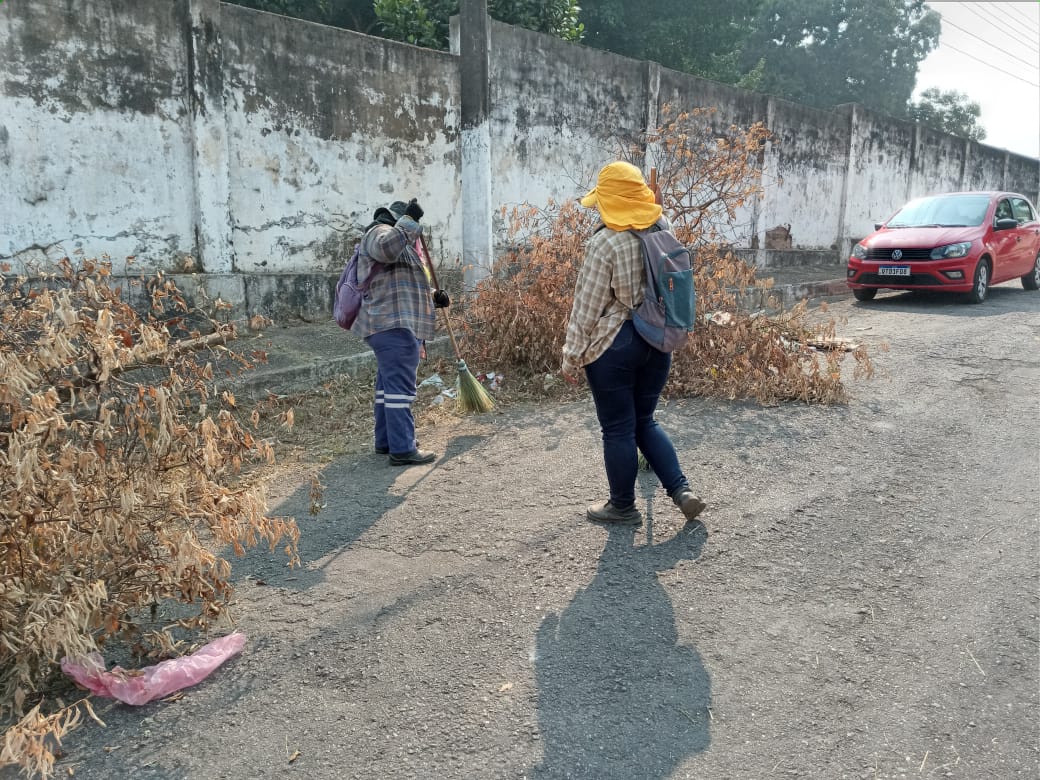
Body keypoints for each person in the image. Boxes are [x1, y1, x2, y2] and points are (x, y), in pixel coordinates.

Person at [561, 161, 706, 525]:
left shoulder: (604, 242)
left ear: (608, 200)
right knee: (646, 421)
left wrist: (571, 356)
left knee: (618, 428)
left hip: (615, 345)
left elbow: (586, 308)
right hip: (657, 340)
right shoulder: (662, 229)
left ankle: (622, 506)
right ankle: (681, 490)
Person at [352, 198, 450, 466]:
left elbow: (400, 287)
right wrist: (410, 221)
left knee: (388, 385)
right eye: (405, 222)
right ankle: (403, 448)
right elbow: (386, 248)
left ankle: (386, 442)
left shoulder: (399, 245)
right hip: (391, 324)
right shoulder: (378, 233)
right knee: (399, 389)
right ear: (396, 219)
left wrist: (432, 296)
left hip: (390, 322)